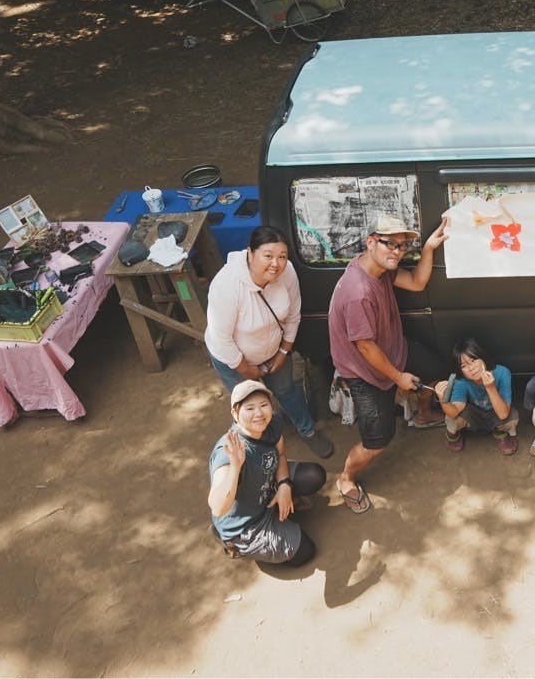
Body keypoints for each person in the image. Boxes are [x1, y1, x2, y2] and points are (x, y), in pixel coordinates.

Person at [328, 213, 447, 514]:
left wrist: (429, 248)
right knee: (377, 440)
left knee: (435, 368)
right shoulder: (358, 292)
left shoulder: (379, 269)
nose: (397, 251)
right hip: (365, 372)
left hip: (394, 350)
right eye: (389, 244)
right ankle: (346, 479)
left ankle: (422, 415)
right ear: (371, 242)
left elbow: (418, 283)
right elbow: (366, 347)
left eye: (402, 246)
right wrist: (398, 377)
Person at [205, 226, 333, 460]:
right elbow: (221, 339)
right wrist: (246, 369)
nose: (276, 264)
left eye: (282, 256)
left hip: (273, 351)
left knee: (287, 390)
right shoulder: (226, 285)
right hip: (234, 359)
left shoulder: (288, 271)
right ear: (250, 253)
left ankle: (307, 431)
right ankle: (263, 448)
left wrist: (283, 352)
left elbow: (293, 314)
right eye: (268, 256)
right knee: (251, 403)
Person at [207, 380, 327, 566]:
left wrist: (284, 484)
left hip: (266, 486)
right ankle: (233, 543)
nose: (259, 413)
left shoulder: (272, 423)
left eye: (264, 405)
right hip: (247, 524)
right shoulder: (229, 451)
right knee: (305, 551)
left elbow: (280, 454)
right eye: (250, 408)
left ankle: (278, 508)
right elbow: (217, 508)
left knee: (314, 475)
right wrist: (236, 467)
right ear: (235, 413)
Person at [435, 338, 519, 455]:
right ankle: (453, 436)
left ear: (482, 357)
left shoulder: (502, 372)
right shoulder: (461, 381)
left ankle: (500, 433)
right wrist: (443, 400)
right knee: (451, 418)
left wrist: (490, 387)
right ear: (460, 370)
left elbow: (503, 414)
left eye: (473, 360)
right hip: (473, 415)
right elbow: (454, 412)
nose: (471, 368)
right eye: (464, 366)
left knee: (512, 416)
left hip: (495, 413)